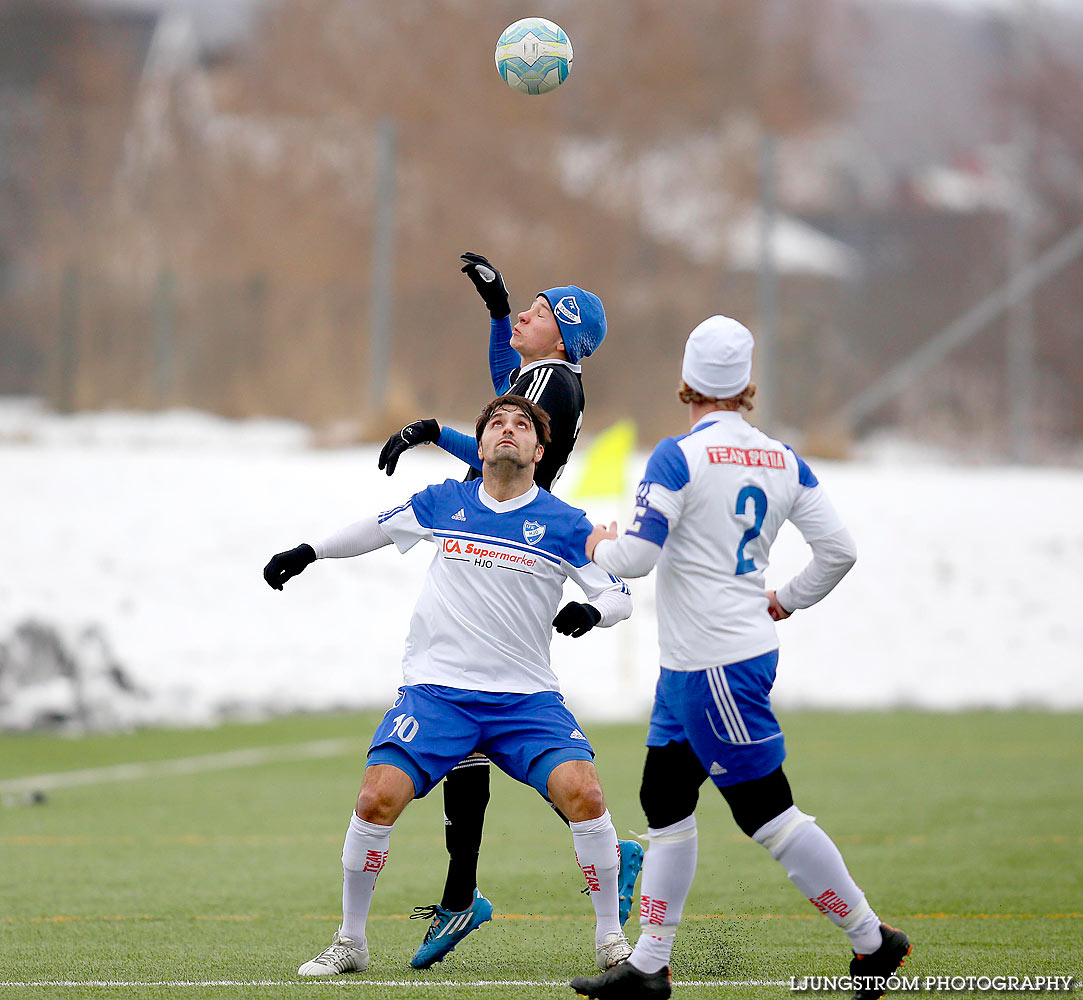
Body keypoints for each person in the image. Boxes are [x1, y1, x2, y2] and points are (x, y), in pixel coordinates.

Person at [569, 317, 911, 1000]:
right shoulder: (783, 458)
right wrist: (784, 599)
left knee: (765, 813)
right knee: (663, 800)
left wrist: (595, 545)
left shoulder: (677, 455)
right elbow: (838, 551)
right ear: (747, 385)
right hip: (707, 661)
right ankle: (648, 965)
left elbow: (635, 557)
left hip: (713, 667)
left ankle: (873, 941)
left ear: (686, 383)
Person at [264, 394, 635, 978]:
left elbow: (618, 593)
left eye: (521, 425)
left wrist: (593, 614)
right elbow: (377, 529)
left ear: (540, 451)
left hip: (525, 701)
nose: (506, 430)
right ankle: (351, 942)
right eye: (495, 424)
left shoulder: (566, 523)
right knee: (374, 799)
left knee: (586, 795)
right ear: (481, 446)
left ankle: (612, 941)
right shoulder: (445, 501)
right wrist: (310, 551)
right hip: (438, 694)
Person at [376, 253, 642, 969]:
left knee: (478, 708)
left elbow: (504, 428)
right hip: (488, 535)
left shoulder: (554, 380)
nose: (524, 314)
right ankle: (462, 896)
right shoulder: (544, 373)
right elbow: (503, 395)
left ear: (565, 332)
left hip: (511, 545)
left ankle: (594, 857)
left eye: (537, 309)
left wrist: (431, 429)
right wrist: (495, 308)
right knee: (465, 717)